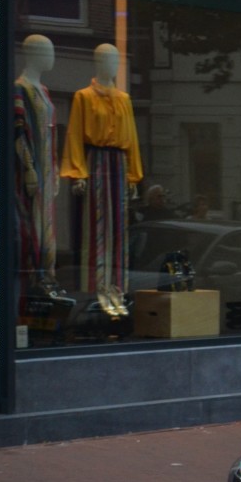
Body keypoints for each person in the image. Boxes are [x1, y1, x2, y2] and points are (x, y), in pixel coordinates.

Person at [60, 42, 144, 318]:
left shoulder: (124, 99)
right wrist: (78, 173)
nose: (111, 65)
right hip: (96, 160)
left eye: (114, 60)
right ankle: (97, 287)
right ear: (97, 63)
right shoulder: (83, 97)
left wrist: (133, 176)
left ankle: (117, 287)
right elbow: (74, 134)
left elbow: (131, 138)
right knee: (96, 226)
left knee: (119, 226)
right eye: (106, 60)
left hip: (118, 163)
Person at [15, 34, 60, 287]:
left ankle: (46, 278)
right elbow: (18, 131)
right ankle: (34, 280)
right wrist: (29, 168)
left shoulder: (43, 90)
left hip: (46, 169)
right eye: (48, 51)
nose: (52, 57)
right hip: (31, 170)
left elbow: (51, 130)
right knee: (33, 222)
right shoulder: (19, 88)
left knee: (47, 223)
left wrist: (54, 167)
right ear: (34, 54)